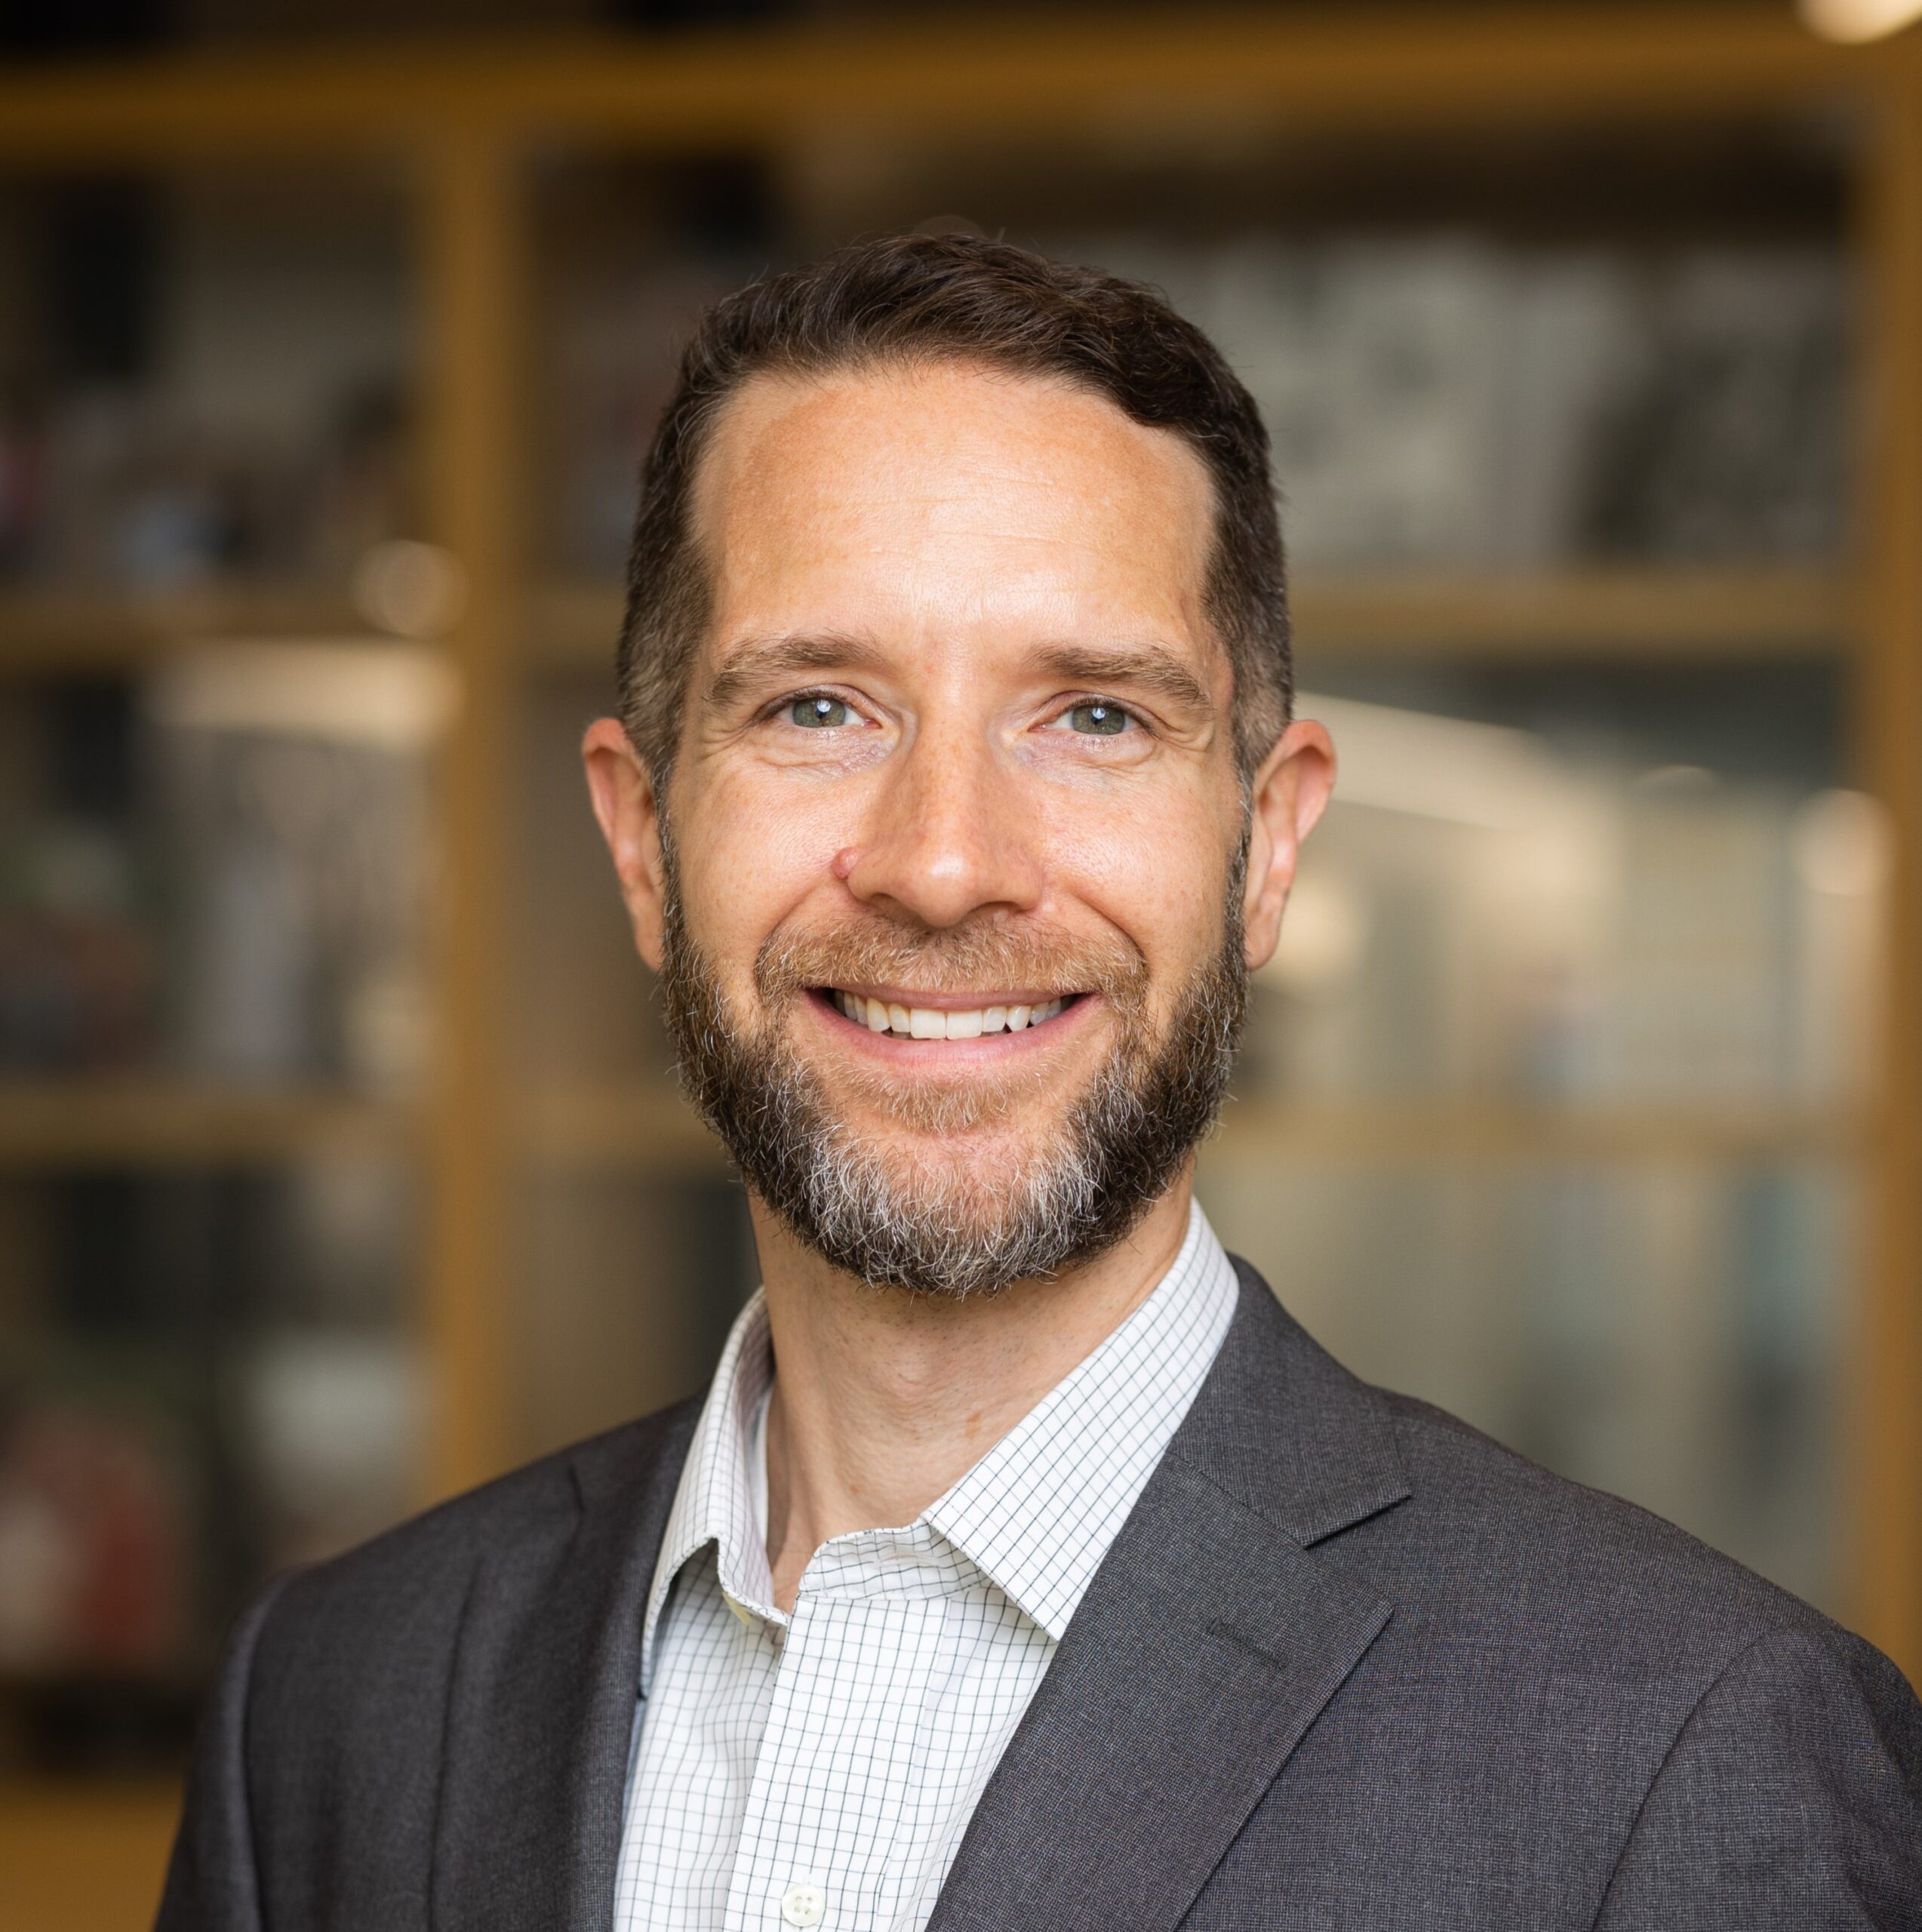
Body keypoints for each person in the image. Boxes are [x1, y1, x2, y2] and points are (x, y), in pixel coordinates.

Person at [158, 234, 1922, 1932]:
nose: (942, 863)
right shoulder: (332, 1704)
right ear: (639, 841)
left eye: (1090, 716)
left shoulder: (1688, 1753)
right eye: (816, 708)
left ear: (1263, 844)